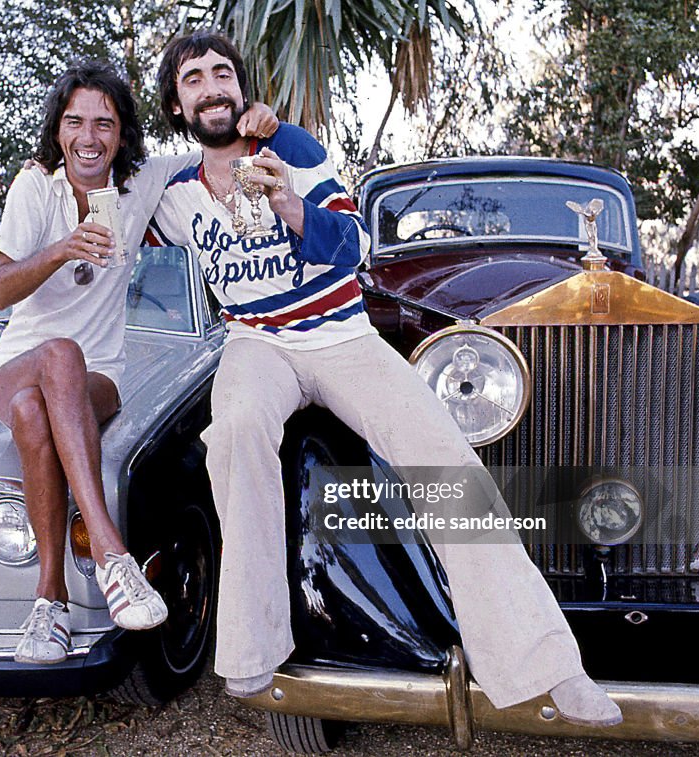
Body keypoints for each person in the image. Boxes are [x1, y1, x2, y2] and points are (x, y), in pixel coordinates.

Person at [149, 31, 622, 726]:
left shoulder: (290, 147)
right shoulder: (168, 190)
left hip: (343, 335)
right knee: (235, 432)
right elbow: (105, 216)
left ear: (242, 88)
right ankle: (252, 649)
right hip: (256, 342)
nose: (212, 87)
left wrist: (288, 204)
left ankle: (550, 666)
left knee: (444, 456)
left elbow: (354, 248)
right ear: (176, 103)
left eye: (223, 72)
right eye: (193, 78)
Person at [0, 60, 277, 665]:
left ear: (122, 136)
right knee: (54, 357)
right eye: (74, 122)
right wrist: (61, 249)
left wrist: (258, 120)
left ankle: (49, 605)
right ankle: (113, 558)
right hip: (18, 364)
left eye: (104, 123)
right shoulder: (35, 185)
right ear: (58, 129)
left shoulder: (141, 183)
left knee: (37, 411)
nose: (88, 137)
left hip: (98, 377)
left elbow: (217, 146)